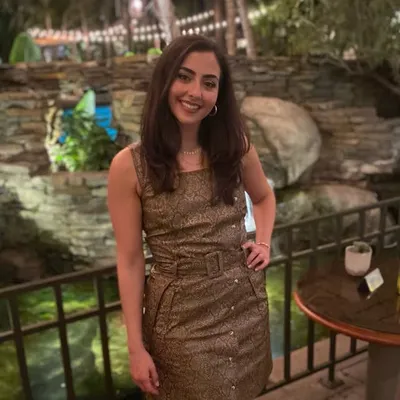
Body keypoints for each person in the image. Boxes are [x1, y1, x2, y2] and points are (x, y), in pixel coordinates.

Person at [107, 34, 276, 400]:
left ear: (219, 95)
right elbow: (130, 261)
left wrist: (263, 242)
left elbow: (264, 197)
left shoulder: (236, 147)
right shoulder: (129, 166)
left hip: (243, 301)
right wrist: (135, 347)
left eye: (209, 83)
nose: (195, 92)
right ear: (165, 81)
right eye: (184, 77)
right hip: (179, 322)